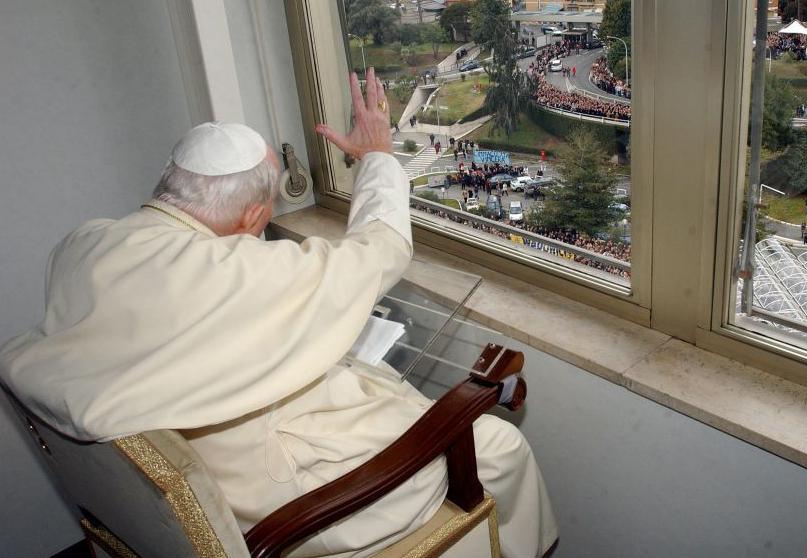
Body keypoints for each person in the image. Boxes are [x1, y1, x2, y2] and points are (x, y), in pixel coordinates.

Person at [0, 67, 557, 558]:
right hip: (277, 503)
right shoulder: (240, 275)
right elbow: (381, 249)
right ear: (255, 216)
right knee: (502, 445)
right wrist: (379, 156)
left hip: (197, 477)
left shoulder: (84, 244)